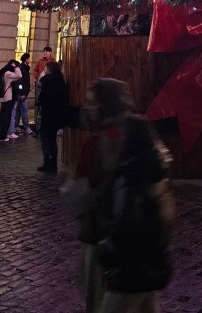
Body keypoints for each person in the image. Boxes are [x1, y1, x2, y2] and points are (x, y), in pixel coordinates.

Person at [95, 115, 174, 313]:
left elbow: (126, 227)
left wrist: (106, 249)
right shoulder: (153, 171)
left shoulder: (130, 179)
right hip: (151, 266)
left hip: (131, 271)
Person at [73, 78, 134, 313]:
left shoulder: (96, 143)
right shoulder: (139, 130)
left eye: (92, 102)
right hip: (139, 240)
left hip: (103, 234)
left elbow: (81, 193)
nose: (89, 108)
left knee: (98, 296)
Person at [38, 59, 68, 172]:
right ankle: (53, 163)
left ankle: (47, 161)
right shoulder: (61, 81)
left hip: (48, 114)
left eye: (46, 68)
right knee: (52, 139)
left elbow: (42, 97)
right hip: (57, 114)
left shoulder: (47, 81)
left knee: (44, 137)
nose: (45, 70)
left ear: (50, 70)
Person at [0, 58, 22, 142]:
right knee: (5, 118)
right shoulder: (8, 74)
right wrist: (16, 67)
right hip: (8, 98)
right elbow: (19, 75)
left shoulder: (4, 72)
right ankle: (1, 136)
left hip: (4, 97)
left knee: (2, 117)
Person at [12, 52, 33, 134]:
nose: (30, 60)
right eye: (29, 58)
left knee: (19, 110)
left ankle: (16, 126)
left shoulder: (25, 68)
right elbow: (21, 82)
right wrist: (22, 93)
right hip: (22, 93)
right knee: (24, 110)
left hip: (24, 92)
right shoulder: (22, 68)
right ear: (26, 59)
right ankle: (27, 127)